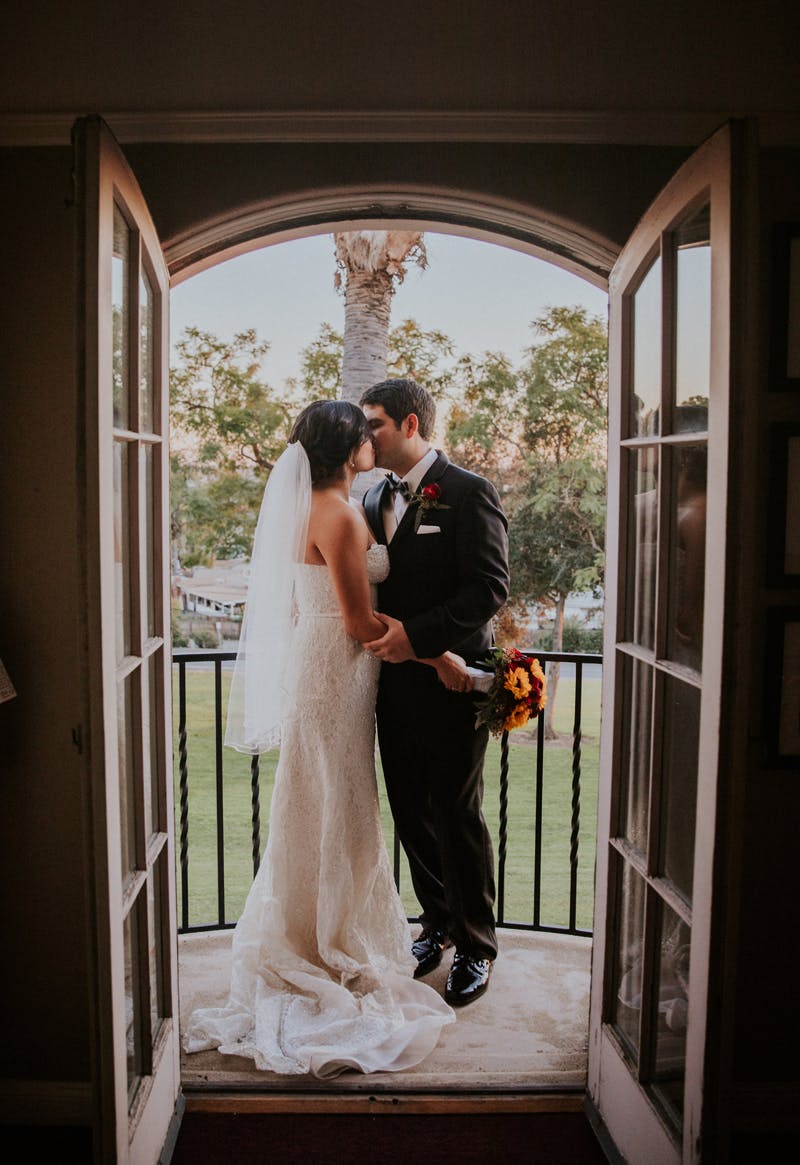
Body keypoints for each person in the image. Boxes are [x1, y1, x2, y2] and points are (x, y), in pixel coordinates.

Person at [183, 400, 461, 1077]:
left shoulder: (320, 504)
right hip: (337, 671)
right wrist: (439, 657)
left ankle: (316, 928)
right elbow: (360, 622)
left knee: (323, 798)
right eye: (364, 435)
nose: (372, 442)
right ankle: (327, 940)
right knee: (338, 801)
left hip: (327, 665)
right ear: (346, 449)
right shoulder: (336, 513)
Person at [360, 379, 510, 1006]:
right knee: (410, 811)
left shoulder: (469, 492)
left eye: (375, 423)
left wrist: (418, 639)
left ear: (411, 423)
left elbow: (488, 589)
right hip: (392, 687)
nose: (367, 435)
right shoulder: (373, 498)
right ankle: (438, 924)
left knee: (455, 812)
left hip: (454, 682)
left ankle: (477, 945)